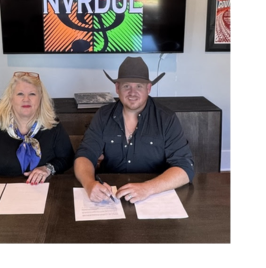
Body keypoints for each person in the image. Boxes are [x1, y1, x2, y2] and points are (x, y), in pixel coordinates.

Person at [74, 56, 195, 203]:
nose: (132, 92)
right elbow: (84, 156)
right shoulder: (103, 116)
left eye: (139, 86)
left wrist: (147, 188)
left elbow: (185, 168)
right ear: (117, 88)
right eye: (126, 86)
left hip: (154, 196)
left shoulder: (166, 119)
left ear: (148, 88)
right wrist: (89, 184)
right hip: (110, 197)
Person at [0, 71, 74, 196]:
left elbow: (67, 158)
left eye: (32, 94)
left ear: (40, 98)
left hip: (40, 192)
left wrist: (48, 168)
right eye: (20, 94)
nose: (26, 99)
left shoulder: (52, 125)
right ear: (11, 98)